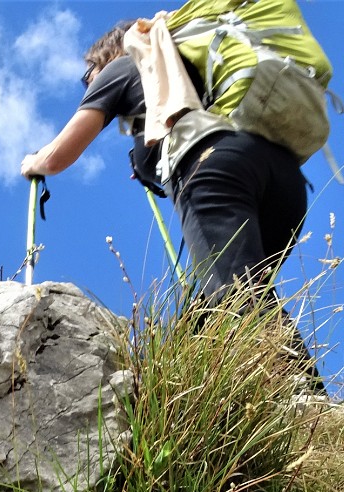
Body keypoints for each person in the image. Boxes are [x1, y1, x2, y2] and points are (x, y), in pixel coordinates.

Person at [21, 20, 319, 381]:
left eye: (89, 72)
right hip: (283, 176)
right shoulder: (185, 67)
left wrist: (36, 160)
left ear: (107, 54)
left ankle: (306, 401)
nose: (89, 80)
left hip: (214, 167)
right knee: (218, 309)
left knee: (234, 295)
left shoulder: (122, 66)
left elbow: (59, 156)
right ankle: (272, 397)